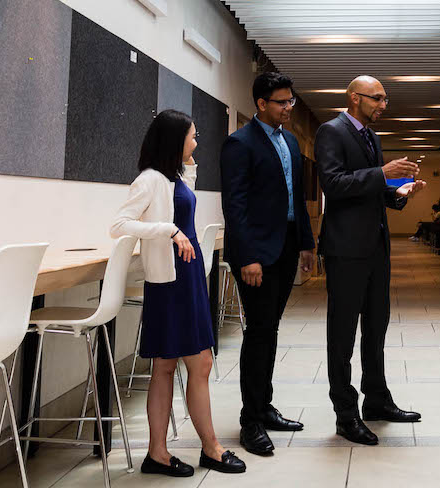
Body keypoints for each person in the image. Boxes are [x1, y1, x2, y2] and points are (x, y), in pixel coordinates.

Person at [111, 109, 245, 477]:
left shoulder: (175, 176)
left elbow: (182, 197)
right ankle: (205, 449)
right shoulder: (151, 180)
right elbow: (119, 224)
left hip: (186, 278)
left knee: (180, 365)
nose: (197, 142)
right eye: (192, 136)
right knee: (183, 364)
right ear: (174, 141)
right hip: (169, 283)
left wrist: (187, 165)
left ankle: (169, 452)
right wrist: (168, 230)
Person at [315, 75, 426, 445]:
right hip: (345, 248)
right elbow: (333, 184)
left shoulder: (372, 137)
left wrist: (399, 192)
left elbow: (372, 192)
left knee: (376, 327)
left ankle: (376, 400)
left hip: (376, 247)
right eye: (376, 99)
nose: (382, 105)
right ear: (354, 97)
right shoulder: (331, 132)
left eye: (384, 99)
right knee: (342, 334)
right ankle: (345, 414)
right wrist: (382, 173)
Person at [220, 72, 315, 456]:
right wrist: (248, 257)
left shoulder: (290, 141)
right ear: (261, 104)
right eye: (281, 102)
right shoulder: (239, 144)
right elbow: (235, 206)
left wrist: (307, 244)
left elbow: (297, 198)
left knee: (270, 329)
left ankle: (264, 405)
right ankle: (251, 421)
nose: (289, 108)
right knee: (259, 331)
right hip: (258, 254)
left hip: (288, 247)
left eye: (291, 101)